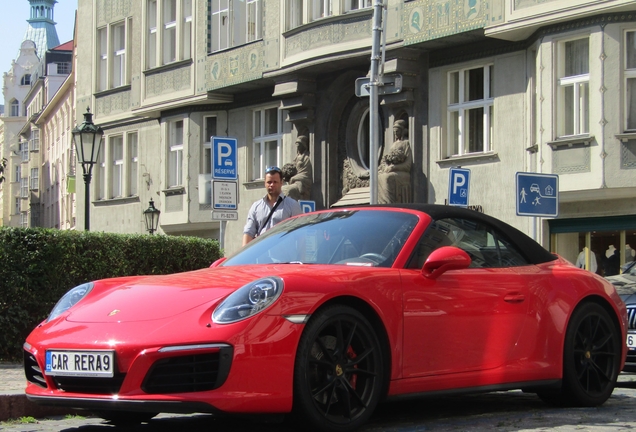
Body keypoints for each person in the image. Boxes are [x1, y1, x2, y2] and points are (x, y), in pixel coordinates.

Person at [242, 166, 302, 246]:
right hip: (262, 255)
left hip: (284, 256)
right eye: (269, 182)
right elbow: (248, 232)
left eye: (275, 182)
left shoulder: (292, 205)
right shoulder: (256, 207)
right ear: (265, 183)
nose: (272, 185)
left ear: (281, 182)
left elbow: (300, 234)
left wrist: (302, 256)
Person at [378, 119, 412, 204]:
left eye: (397, 131)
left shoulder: (406, 143)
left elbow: (408, 164)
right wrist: (386, 166)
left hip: (402, 172)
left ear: (402, 131)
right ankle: (383, 204)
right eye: (394, 132)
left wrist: (395, 167)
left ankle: (390, 202)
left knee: (387, 178)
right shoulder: (393, 144)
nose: (396, 134)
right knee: (379, 177)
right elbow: (388, 160)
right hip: (392, 170)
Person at [282, 135, 313, 201]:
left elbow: (305, 174)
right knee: (282, 189)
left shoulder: (306, 158)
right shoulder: (296, 158)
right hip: (294, 181)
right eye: (297, 144)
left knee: (289, 190)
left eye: (299, 144)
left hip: (302, 182)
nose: (298, 146)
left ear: (303, 145)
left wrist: (294, 178)